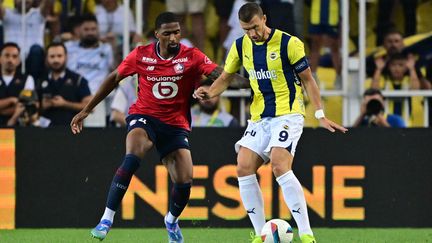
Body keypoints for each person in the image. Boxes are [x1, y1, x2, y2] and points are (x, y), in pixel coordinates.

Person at [70, 12, 245, 242]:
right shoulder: (141, 55)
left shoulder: (191, 56)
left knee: (184, 182)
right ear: (156, 35)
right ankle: (106, 219)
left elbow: (222, 75)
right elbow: (114, 78)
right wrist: (86, 110)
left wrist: (253, 82)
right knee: (133, 155)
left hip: (175, 125)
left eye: (177, 32)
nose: (173, 38)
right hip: (145, 116)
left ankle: (171, 221)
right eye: (167, 33)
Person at [194, 3, 347, 243]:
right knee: (243, 166)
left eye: (255, 27)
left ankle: (307, 234)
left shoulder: (290, 43)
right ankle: (259, 234)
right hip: (260, 117)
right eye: (246, 29)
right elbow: (225, 77)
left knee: (278, 163)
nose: (252, 33)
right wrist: (210, 92)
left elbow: (308, 80)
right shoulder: (240, 46)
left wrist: (319, 114)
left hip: (288, 113)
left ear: (264, 19)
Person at [66, 14, 114, 127]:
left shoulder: (106, 49)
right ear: (79, 31)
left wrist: (114, 45)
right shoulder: (69, 47)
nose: (90, 32)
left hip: (99, 96)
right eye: (86, 29)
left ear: (98, 30)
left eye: (93, 29)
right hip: (75, 95)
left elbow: (115, 70)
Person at [38, 42, 92, 126]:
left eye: (59, 56)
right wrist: (42, 106)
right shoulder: (40, 80)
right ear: (46, 58)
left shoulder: (78, 80)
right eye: (52, 56)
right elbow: (31, 107)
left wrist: (65, 104)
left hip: (72, 131)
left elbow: (90, 107)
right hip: (45, 132)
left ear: (66, 57)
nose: (56, 60)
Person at [0, 0, 56, 80]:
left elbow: (48, 2)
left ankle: (35, 85)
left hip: (34, 62)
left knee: (36, 50)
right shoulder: (7, 14)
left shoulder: (39, 14)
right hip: (13, 61)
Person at [308, 0, 341, 89]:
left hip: (332, 16)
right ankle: (313, 77)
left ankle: (339, 77)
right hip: (316, 16)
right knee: (315, 47)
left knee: (334, 48)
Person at [0, 42, 35, 126]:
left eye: (14, 56)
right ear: (0, 58)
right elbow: (18, 106)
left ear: (19, 60)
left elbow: (25, 106)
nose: (10, 60)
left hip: (18, 127)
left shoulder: (27, 79)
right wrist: (11, 100)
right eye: (7, 55)